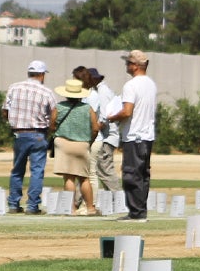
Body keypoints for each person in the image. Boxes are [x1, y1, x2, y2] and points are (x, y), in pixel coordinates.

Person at [111, 50, 158, 222]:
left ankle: (136, 213)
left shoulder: (131, 85)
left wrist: (112, 117)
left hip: (134, 135)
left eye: (128, 63)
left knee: (131, 174)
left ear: (136, 66)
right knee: (143, 175)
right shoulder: (150, 84)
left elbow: (127, 111)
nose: (126, 65)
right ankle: (140, 210)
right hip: (147, 136)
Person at [3, 61, 53, 214]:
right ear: (42, 74)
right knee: (37, 171)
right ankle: (32, 206)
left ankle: (13, 204)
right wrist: (50, 129)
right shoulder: (46, 92)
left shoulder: (14, 87)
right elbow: (54, 113)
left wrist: (12, 123)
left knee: (17, 170)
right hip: (38, 133)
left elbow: (5, 110)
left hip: (19, 133)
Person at [51, 76, 100, 216]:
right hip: (82, 144)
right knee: (84, 177)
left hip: (63, 144)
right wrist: (89, 141)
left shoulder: (59, 107)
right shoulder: (88, 108)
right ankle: (90, 208)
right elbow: (95, 128)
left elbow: (52, 125)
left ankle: (71, 209)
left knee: (69, 178)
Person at [85, 67, 122, 195]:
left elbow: (104, 117)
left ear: (93, 79)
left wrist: (93, 132)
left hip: (107, 137)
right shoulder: (102, 90)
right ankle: (113, 201)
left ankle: (118, 200)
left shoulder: (102, 92)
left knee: (105, 170)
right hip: (108, 136)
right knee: (103, 170)